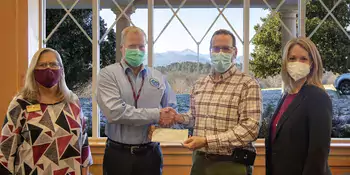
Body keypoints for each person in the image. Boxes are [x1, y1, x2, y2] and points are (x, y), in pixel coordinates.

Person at [175, 29, 262, 175]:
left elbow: (250, 129)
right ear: (210, 52)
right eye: (216, 48)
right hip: (200, 162)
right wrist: (177, 118)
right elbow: (194, 118)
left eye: (226, 48)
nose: (220, 52)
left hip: (231, 164)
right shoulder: (200, 84)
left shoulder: (247, 84)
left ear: (234, 52)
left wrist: (207, 141)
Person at [96, 26, 177, 175]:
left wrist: (162, 126)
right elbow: (115, 112)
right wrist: (156, 115)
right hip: (118, 156)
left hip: (151, 154)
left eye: (141, 46)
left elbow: (171, 111)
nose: (137, 50)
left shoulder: (158, 77)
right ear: (122, 48)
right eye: (132, 46)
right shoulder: (108, 75)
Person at [0, 48, 93, 175]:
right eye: (42, 65)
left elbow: (83, 144)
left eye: (54, 64)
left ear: (61, 70)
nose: (48, 68)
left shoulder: (72, 101)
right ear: (33, 70)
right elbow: (6, 150)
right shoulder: (20, 104)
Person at [265, 37, 332, 175]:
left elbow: (318, 152)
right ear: (285, 62)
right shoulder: (286, 96)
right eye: (292, 58)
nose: (297, 63)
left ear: (312, 63)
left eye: (303, 59)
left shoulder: (318, 97)